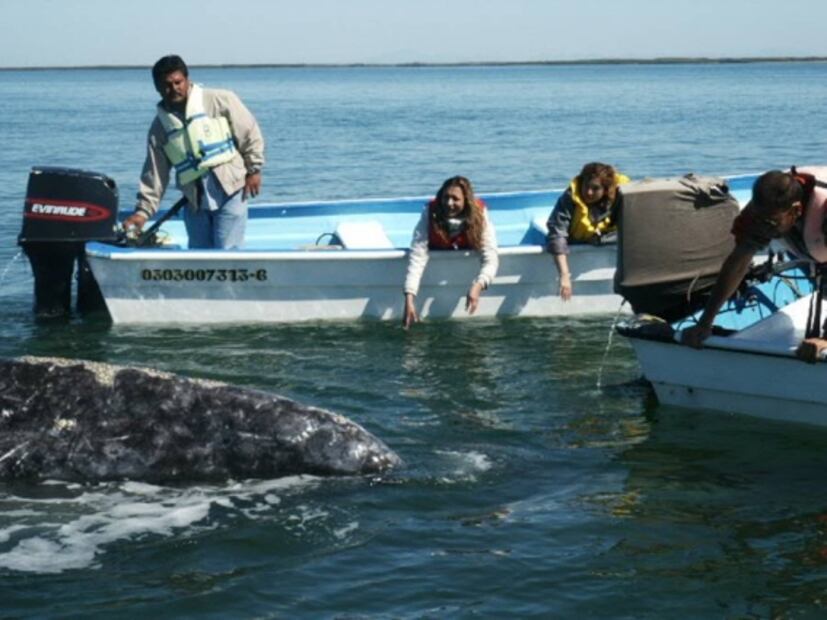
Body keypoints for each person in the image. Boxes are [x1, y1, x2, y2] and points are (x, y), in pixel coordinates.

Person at [681, 168, 827, 362]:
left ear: (796, 211)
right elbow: (737, 263)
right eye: (757, 220)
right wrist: (705, 322)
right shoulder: (759, 214)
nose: (761, 229)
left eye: (769, 223)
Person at [122, 55, 265, 249]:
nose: (174, 89)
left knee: (227, 250)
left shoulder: (220, 100)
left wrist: (254, 169)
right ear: (157, 87)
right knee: (199, 253)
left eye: (178, 82)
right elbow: (155, 174)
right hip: (194, 200)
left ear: (187, 79)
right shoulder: (159, 129)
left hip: (231, 190)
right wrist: (143, 213)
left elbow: (249, 132)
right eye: (166, 85)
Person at [403, 176, 499, 329]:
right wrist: (409, 298)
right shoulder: (430, 212)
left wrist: (478, 286)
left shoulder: (480, 214)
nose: (449, 203)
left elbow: (491, 258)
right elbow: (417, 257)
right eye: (446, 197)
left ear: (466, 200)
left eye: (455, 199)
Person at [546, 162, 629, 300]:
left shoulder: (620, 197)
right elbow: (557, 235)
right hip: (573, 241)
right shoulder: (569, 198)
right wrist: (564, 275)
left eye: (595, 188)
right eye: (586, 186)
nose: (589, 192)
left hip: (607, 239)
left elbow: (633, 227)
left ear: (606, 190)